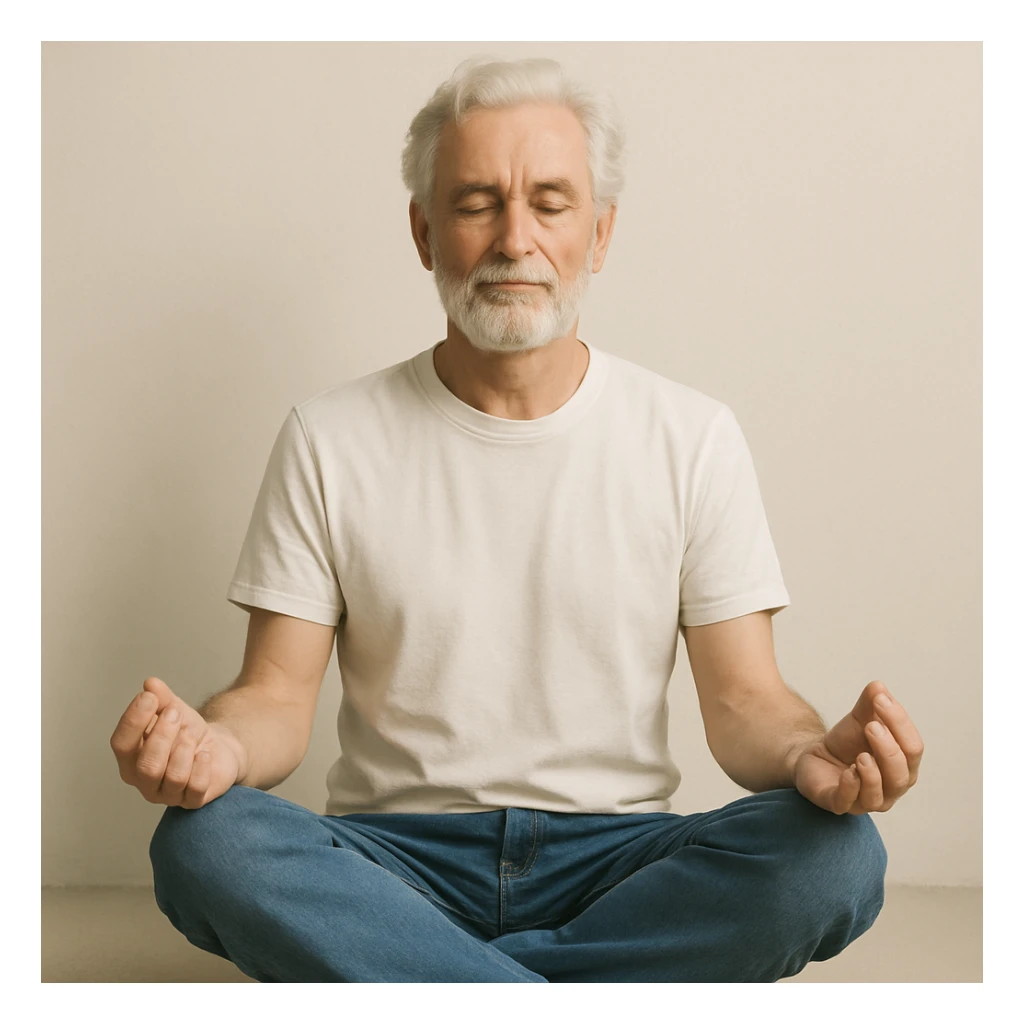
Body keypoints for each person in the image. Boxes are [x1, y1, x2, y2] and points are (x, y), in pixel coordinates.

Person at [110, 56, 924, 983]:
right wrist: (213, 745)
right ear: (423, 232)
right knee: (203, 844)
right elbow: (277, 700)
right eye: (475, 204)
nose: (514, 238)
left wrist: (810, 751)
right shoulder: (327, 437)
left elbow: (745, 703)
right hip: (395, 859)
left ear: (601, 233)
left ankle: (435, 983)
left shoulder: (692, 437)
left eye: (549, 202)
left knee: (839, 855)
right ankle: (557, 991)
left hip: (621, 862)